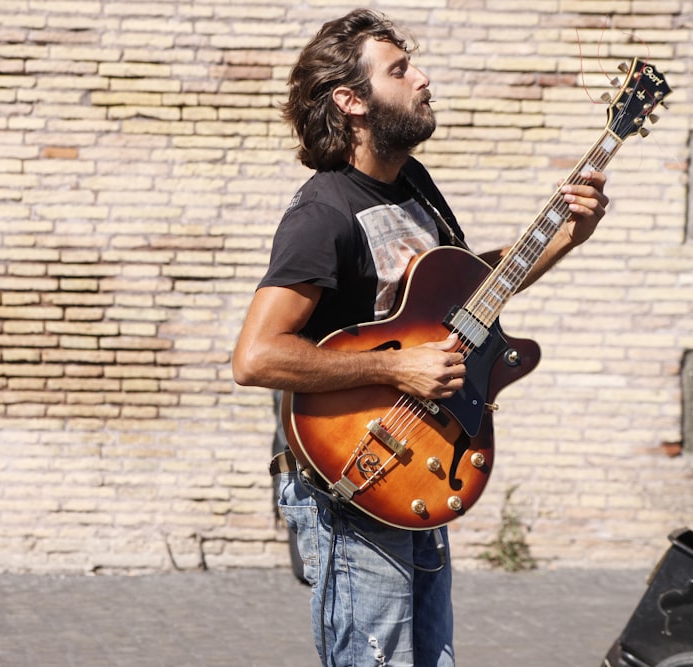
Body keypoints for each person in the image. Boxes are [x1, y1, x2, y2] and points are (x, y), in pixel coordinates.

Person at [232, 8, 608, 667]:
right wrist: (398, 370)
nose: (424, 79)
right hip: (352, 471)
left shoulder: (413, 186)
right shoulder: (322, 213)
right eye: (400, 70)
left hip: (419, 465)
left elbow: (471, 296)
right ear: (352, 101)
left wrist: (565, 236)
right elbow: (257, 356)